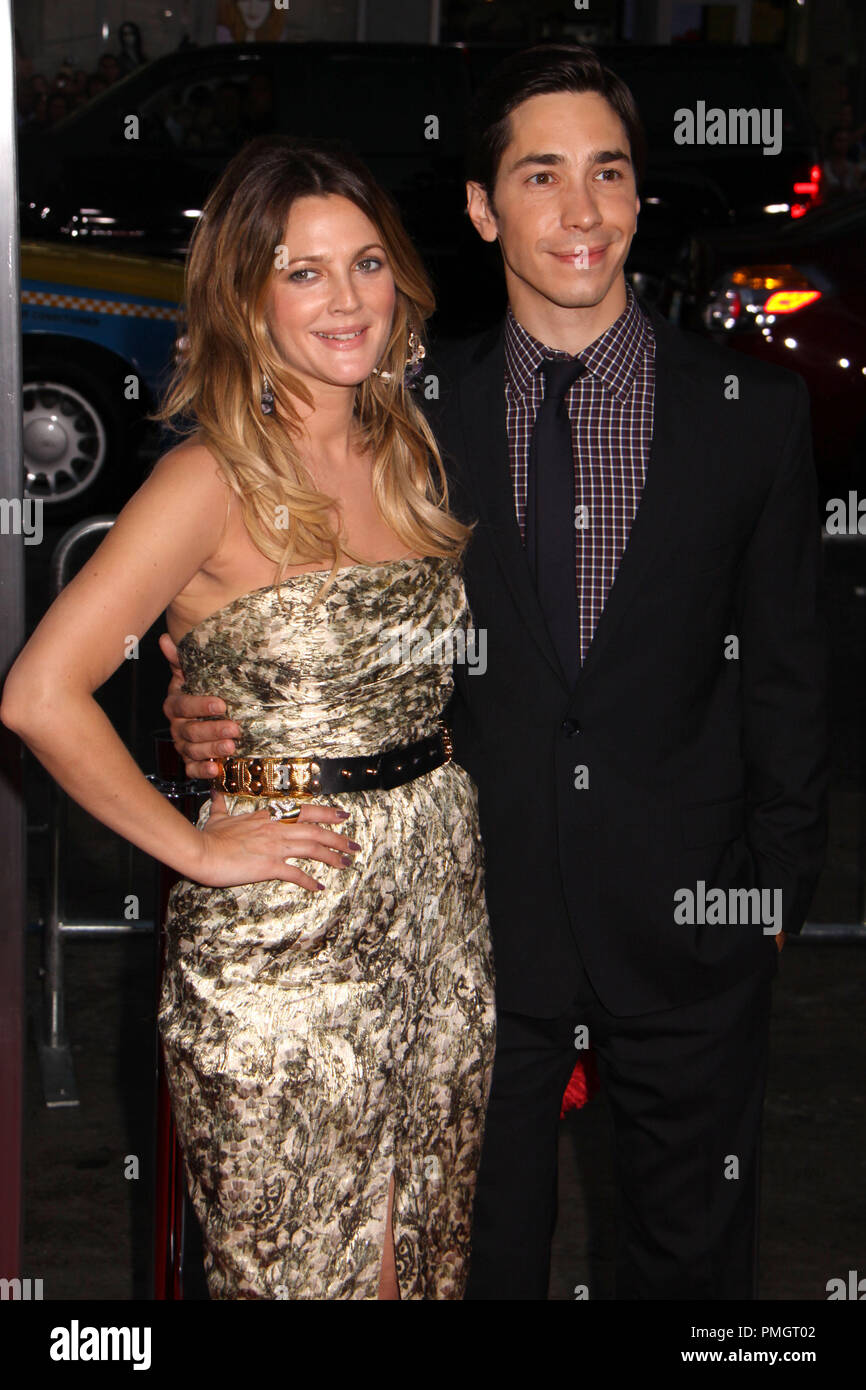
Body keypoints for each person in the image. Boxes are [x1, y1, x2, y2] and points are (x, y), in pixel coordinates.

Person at [164, 45, 829, 1301]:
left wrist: (772, 903)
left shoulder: (752, 410)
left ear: (638, 197)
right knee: (476, 1268)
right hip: (465, 939)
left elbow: (789, 679)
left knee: (692, 1269)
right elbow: (268, 599)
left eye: (607, 173)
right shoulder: (402, 415)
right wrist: (206, 705)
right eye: (540, 175)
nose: (579, 212)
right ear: (481, 208)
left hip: (691, 932)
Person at [1, 134, 496, 1300]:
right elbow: (37, 693)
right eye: (303, 270)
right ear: (245, 295)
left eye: (365, 263)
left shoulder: (407, 448)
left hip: (438, 907)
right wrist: (188, 846)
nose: (346, 298)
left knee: (414, 1264)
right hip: (282, 929)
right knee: (294, 1274)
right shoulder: (211, 477)